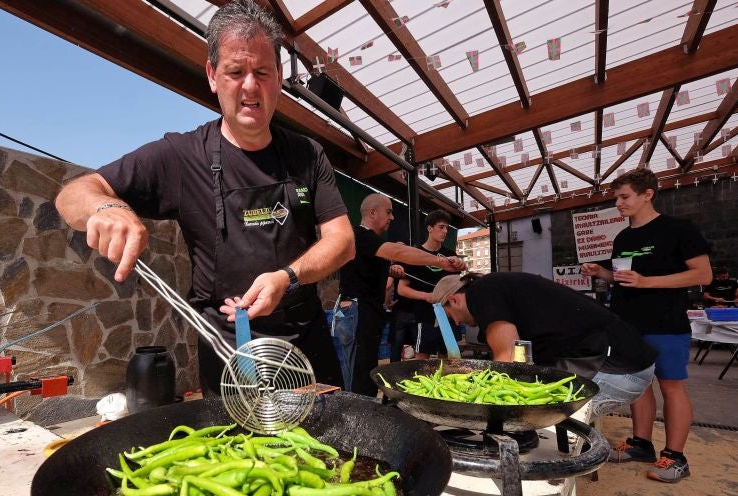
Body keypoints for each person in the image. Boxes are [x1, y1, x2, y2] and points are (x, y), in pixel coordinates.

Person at [55, 0, 354, 396]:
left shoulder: (307, 153)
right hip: (229, 353)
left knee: (329, 454)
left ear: (279, 77)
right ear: (212, 75)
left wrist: (287, 277)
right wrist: (106, 207)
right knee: (235, 455)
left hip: (306, 344)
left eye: (262, 72)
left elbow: (343, 241)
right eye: (236, 72)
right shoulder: (182, 155)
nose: (250, 86)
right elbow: (72, 194)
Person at [581, 168, 712, 483]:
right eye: (617, 197)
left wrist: (647, 281)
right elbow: (625, 279)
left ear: (647, 194)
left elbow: (702, 275)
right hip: (627, 324)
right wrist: (602, 273)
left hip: (666, 323)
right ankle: (641, 444)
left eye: (624, 196)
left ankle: (675, 457)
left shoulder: (679, 229)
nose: (619, 203)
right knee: (637, 386)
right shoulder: (624, 237)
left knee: (671, 385)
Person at [431, 272, 658, 420]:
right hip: (627, 362)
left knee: (538, 418)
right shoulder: (500, 288)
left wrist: (466, 398)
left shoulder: (481, 292)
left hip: (612, 365)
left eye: (451, 317)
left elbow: (508, 357)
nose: (458, 323)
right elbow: (520, 355)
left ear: (453, 299)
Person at [332, 194, 464, 395]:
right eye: (388, 212)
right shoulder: (359, 235)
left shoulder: (371, 243)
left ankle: (364, 409)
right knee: (359, 370)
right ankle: (356, 413)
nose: (392, 217)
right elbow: (399, 253)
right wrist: (440, 261)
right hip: (357, 312)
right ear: (372, 213)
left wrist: (389, 272)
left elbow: (369, 272)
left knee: (366, 366)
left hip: (368, 313)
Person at [396, 210, 460, 359]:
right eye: (441, 227)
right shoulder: (414, 254)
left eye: (447, 228)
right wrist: (427, 296)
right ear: (429, 228)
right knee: (422, 359)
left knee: (449, 358)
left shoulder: (451, 255)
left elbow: (456, 285)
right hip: (424, 316)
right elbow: (401, 289)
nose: (445, 231)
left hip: (449, 314)